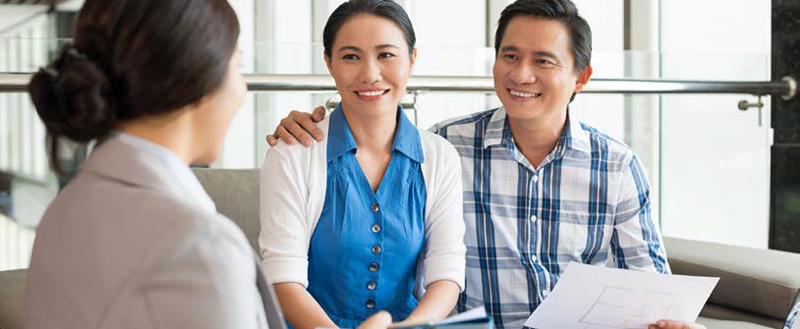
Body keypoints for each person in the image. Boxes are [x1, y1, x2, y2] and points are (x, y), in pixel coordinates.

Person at [266, 1, 707, 329]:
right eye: (510, 56)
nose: (521, 75)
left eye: (543, 61)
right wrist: (307, 121)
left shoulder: (617, 167)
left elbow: (655, 291)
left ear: (581, 77)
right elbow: (369, 120)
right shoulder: (448, 145)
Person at [23, 1, 397, 329]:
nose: (242, 90)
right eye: (237, 67)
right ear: (195, 80)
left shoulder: (62, 211)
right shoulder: (198, 246)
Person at [258, 1, 466, 329]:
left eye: (386, 55)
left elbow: (447, 274)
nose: (370, 73)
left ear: (412, 58)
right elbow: (283, 279)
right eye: (351, 56)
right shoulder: (292, 154)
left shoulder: (440, 156)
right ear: (328, 62)